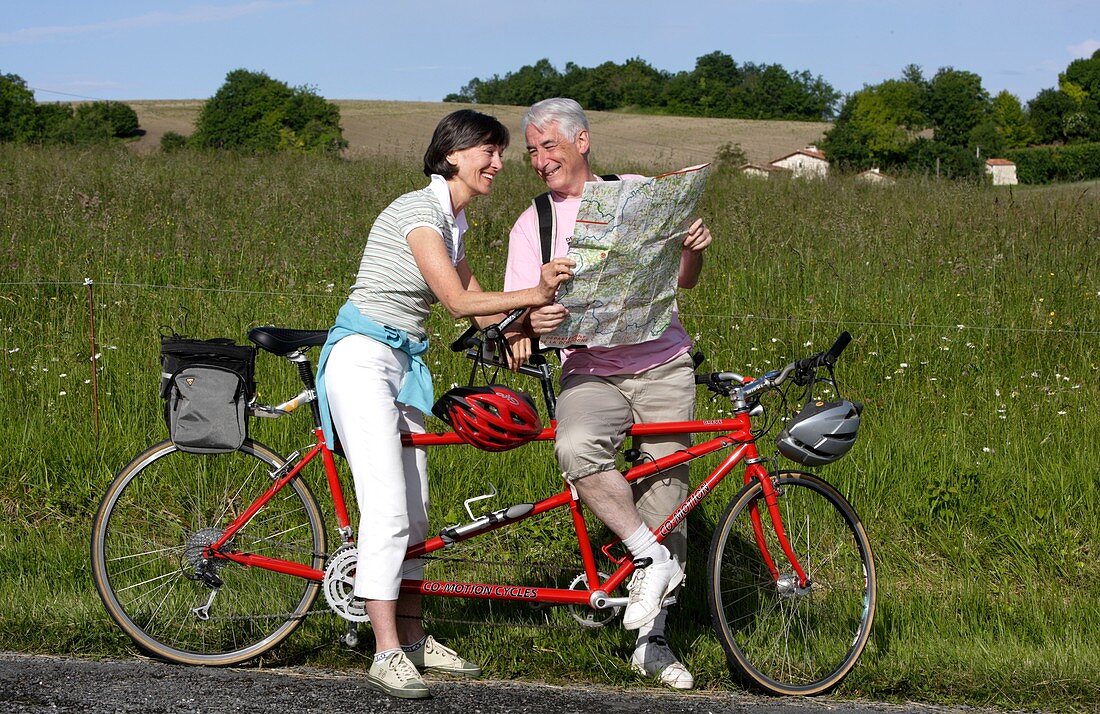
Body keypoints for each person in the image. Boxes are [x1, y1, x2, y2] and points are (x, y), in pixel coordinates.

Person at [317, 109, 574, 700]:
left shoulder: (452, 221)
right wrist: (534, 289)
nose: (500, 164)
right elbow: (458, 302)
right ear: (453, 154)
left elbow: (482, 304)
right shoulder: (417, 211)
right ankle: (383, 653)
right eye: (491, 151)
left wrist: (524, 322)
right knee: (385, 509)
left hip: (403, 364)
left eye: (501, 153)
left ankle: (411, 638)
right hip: (362, 358)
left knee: (418, 511)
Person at [503, 98, 713, 690]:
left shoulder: (639, 193)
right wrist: (531, 325)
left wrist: (693, 247)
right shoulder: (533, 223)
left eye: (549, 146)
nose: (541, 161)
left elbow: (683, 282)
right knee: (574, 446)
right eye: (532, 152)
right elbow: (516, 320)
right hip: (589, 370)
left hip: (664, 363)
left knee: (668, 489)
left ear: (582, 141)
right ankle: (652, 556)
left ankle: (654, 642)